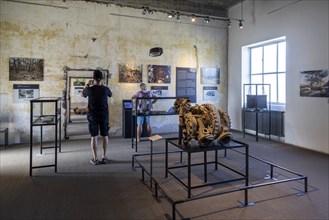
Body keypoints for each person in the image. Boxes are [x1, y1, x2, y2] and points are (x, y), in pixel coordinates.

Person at [82, 70, 112, 165]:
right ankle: (104, 157)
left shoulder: (89, 89)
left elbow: (83, 94)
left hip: (92, 116)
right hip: (103, 115)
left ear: (93, 78)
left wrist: (87, 85)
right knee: (105, 135)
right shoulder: (105, 89)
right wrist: (103, 85)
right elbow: (110, 94)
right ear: (101, 78)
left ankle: (95, 159)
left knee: (94, 137)